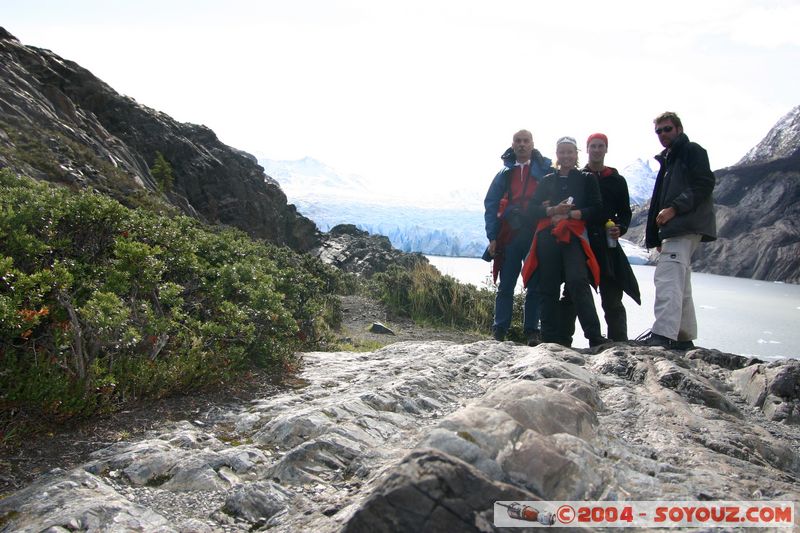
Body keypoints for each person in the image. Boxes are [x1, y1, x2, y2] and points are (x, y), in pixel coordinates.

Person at [639, 112, 716, 349]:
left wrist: (674, 208)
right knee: (681, 281)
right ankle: (684, 337)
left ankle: (663, 335)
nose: (662, 134)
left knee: (668, 277)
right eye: (659, 131)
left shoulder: (691, 151)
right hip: (679, 228)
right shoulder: (670, 159)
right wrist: (656, 236)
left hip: (683, 225)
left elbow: (704, 183)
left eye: (667, 129)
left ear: (679, 129)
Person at [520, 136, 606, 347]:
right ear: (557, 155)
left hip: (573, 236)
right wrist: (552, 211)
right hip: (548, 237)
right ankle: (549, 337)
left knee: (577, 281)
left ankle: (594, 336)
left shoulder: (587, 179)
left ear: (576, 154)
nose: (566, 156)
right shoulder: (547, 180)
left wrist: (571, 214)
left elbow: (598, 209)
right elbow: (531, 210)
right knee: (548, 285)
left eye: (570, 152)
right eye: (562, 152)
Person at [559, 133, 641, 345]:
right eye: (593, 146)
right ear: (587, 149)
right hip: (582, 239)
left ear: (606, 149)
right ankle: (563, 341)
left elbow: (625, 213)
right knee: (573, 290)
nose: (596, 150)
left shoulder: (616, 180)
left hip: (606, 242)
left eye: (600, 146)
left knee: (612, 294)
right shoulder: (577, 177)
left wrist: (620, 228)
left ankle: (619, 342)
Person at [483, 129, 552, 344]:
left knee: (534, 284)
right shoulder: (504, 174)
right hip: (510, 235)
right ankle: (499, 330)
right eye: (518, 141)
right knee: (506, 283)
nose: (522, 144)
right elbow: (491, 204)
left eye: (525, 141)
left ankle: (532, 331)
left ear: (532, 144)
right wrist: (492, 236)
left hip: (535, 234)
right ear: (513, 145)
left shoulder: (546, 171)